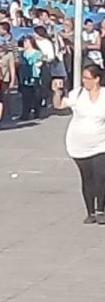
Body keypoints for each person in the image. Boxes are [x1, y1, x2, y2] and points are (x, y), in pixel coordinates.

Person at [54, 65, 105, 224]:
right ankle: (90, 211)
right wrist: (57, 92)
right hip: (79, 143)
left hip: (101, 143)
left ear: (97, 79)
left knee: (101, 176)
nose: (84, 81)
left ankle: (100, 209)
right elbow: (59, 105)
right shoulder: (77, 94)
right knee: (87, 178)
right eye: (83, 78)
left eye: (88, 78)